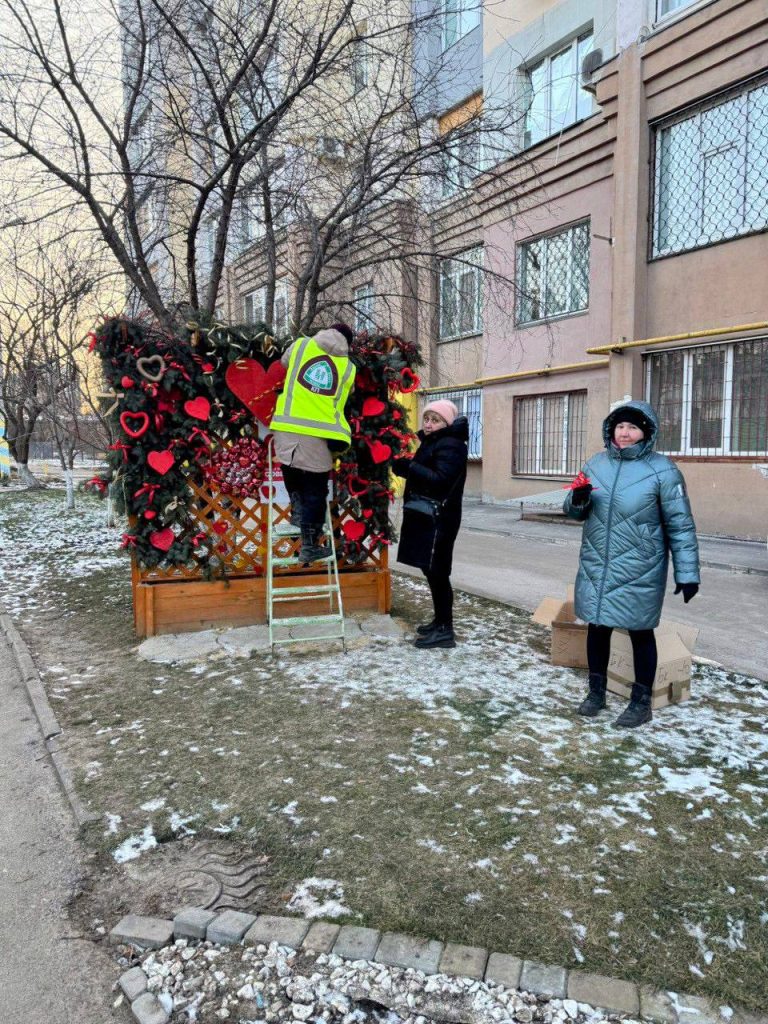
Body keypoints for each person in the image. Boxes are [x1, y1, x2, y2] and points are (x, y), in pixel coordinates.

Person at [564, 399, 700, 728]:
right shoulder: (595, 464)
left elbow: (680, 525)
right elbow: (574, 510)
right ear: (612, 429)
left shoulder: (664, 471)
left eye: (633, 427)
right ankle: (596, 693)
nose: (625, 433)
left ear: (646, 432)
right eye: (620, 426)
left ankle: (641, 703)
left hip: (640, 567)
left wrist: (688, 572)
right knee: (597, 628)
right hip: (598, 562)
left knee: (640, 633)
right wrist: (577, 499)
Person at [270, 323, 356, 564]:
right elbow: (343, 398)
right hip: (319, 434)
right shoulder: (348, 369)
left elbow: (284, 363)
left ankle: (297, 513)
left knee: (290, 467)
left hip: (286, 425)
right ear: (348, 343)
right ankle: (310, 545)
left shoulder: (301, 346)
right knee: (316, 489)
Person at [392, 399, 468, 649]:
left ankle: (445, 631)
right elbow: (426, 474)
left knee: (438, 572)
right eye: (426, 418)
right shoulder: (435, 442)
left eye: (435, 420)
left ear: (446, 423)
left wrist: (411, 467)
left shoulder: (452, 445)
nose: (428, 424)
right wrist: (404, 467)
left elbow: (440, 479)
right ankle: (439, 621)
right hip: (429, 517)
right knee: (431, 571)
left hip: (441, 520)